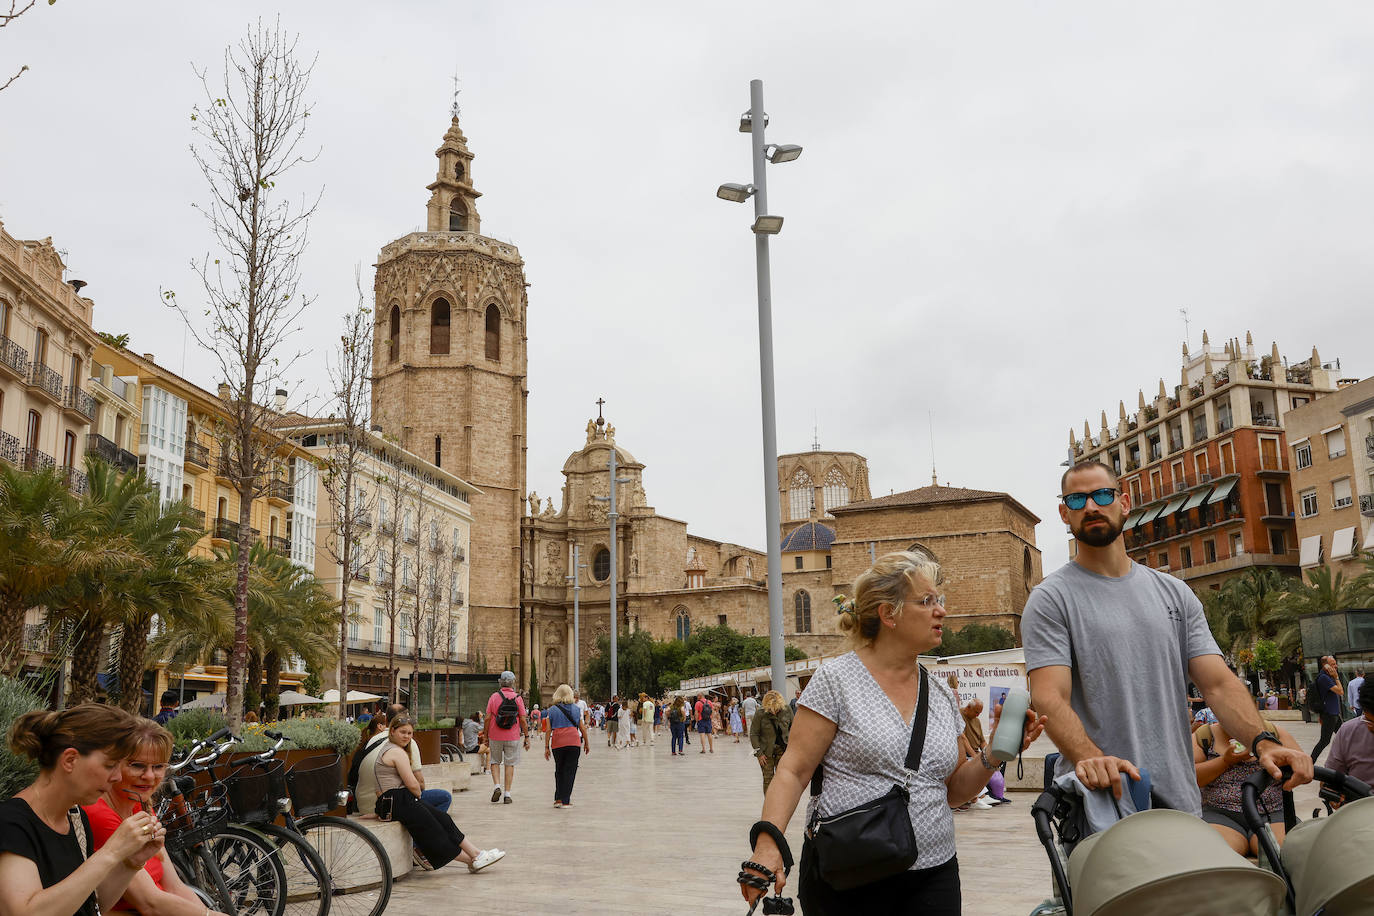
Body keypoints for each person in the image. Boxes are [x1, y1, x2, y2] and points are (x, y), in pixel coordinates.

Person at [739, 551, 1044, 914]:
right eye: (927, 601)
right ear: (888, 614)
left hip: (934, 874)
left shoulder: (942, 696)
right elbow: (793, 770)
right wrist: (768, 842)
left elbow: (953, 791)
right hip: (848, 875)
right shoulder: (836, 680)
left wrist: (993, 752)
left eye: (940, 600)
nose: (941, 611)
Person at [1023, 460, 1311, 813]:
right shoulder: (1051, 599)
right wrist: (1092, 759)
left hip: (1181, 804)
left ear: (1124, 503)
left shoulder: (1175, 593)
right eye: (1078, 500)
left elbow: (1218, 685)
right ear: (1064, 513)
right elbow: (1049, 696)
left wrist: (1263, 741)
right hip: (1099, 804)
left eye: (1102, 494)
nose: (1092, 507)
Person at [0, 705, 165, 916]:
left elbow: (90, 907)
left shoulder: (76, 819)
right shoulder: (11, 823)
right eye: (110, 765)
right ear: (70, 760)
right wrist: (111, 852)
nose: (117, 777)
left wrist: (131, 862)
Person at [84, 719, 227, 916]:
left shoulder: (139, 805)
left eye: (158, 767)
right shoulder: (100, 814)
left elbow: (175, 886)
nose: (150, 776)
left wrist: (207, 912)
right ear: (114, 766)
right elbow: (150, 903)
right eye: (137, 766)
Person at [375, 716, 504, 872]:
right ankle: (473, 859)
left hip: (396, 800)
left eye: (410, 733)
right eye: (403, 732)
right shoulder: (396, 752)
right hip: (399, 799)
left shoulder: (389, 748)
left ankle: (476, 854)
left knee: (443, 819)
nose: (407, 736)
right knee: (434, 830)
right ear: (393, 731)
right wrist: (417, 795)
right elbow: (412, 784)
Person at [1192, 716, 1301, 855]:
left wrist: (1276, 758)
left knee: (1283, 852)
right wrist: (1225, 761)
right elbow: (1190, 778)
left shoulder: (1274, 733)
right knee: (1217, 854)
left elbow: (1302, 768)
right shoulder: (1204, 736)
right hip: (1219, 813)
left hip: (1272, 813)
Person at [482, 671, 529, 804]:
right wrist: (526, 736)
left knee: (495, 761)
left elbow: (487, 718)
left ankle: (497, 786)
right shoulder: (518, 698)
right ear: (513, 683)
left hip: (495, 735)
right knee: (510, 764)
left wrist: (485, 735)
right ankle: (507, 794)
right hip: (512, 736)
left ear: (500, 682)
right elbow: (523, 720)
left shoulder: (494, 697)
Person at [542, 684, 591, 807]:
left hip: (557, 743)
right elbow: (582, 728)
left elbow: (548, 730)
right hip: (573, 742)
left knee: (559, 770)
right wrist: (586, 743)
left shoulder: (551, 710)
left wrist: (546, 747)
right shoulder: (576, 709)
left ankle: (558, 799)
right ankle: (566, 800)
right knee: (570, 771)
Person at [955, 699, 1005, 808]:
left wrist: (989, 752)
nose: (978, 715)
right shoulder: (959, 716)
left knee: (1000, 759)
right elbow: (963, 739)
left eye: (979, 713)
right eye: (976, 712)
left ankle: (995, 793)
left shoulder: (976, 720)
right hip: (967, 753)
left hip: (977, 751)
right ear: (968, 708)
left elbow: (982, 741)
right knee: (972, 765)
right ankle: (980, 797)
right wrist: (975, 756)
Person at [1325, 679, 1374, 788]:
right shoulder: (1349, 731)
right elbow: (1330, 778)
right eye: (1369, 720)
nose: (1371, 726)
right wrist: (1334, 792)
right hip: (1360, 802)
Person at [748, 690, 791, 793]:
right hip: (766, 751)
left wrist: (791, 751)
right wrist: (759, 753)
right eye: (771, 709)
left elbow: (793, 729)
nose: (774, 711)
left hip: (783, 749)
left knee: (783, 778)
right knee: (768, 779)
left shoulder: (787, 710)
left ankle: (781, 802)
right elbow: (754, 733)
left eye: (776, 709)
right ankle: (769, 804)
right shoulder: (760, 713)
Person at [1311, 655, 1345, 762]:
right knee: (1325, 741)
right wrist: (1336, 677)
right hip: (1329, 714)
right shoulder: (1324, 678)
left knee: (1344, 737)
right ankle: (1310, 761)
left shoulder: (1327, 676)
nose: (1336, 666)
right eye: (1333, 664)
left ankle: (1346, 760)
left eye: (1335, 663)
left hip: (1334, 713)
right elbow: (1340, 691)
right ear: (1325, 665)